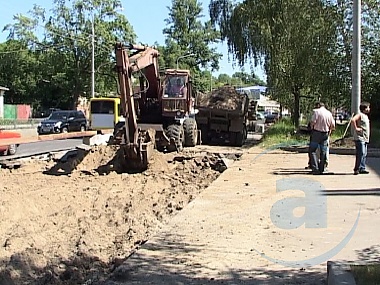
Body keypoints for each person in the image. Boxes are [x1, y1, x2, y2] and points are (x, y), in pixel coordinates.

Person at [308, 102, 335, 174]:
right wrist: (329, 131)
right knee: (323, 151)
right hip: (325, 134)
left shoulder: (316, 112)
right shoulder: (329, 113)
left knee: (312, 150)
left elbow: (313, 122)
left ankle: (315, 168)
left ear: (318, 106)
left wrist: (311, 129)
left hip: (316, 133)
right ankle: (322, 168)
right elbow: (333, 125)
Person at [351, 101, 371, 175]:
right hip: (360, 138)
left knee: (364, 153)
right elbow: (353, 120)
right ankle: (356, 169)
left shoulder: (365, 116)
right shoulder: (360, 115)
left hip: (365, 138)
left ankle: (362, 168)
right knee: (361, 153)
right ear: (364, 108)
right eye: (368, 107)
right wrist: (356, 128)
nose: (369, 109)